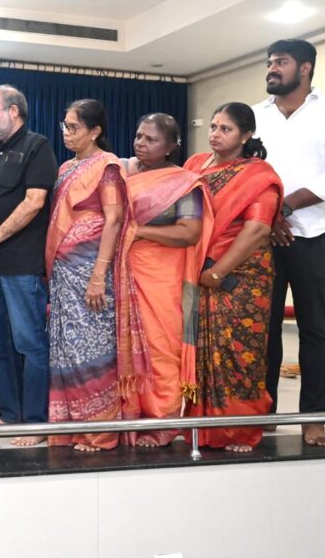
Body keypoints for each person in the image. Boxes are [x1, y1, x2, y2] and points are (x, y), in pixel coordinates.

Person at [255, 39, 325, 448]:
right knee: (262, 331)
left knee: (316, 329)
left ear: (305, 68)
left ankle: (313, 420)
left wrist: (286, 205)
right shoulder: (255, 115)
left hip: (316, 237)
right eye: (270, 62)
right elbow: (243, 169)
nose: (272, 68)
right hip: (260, 237)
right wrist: (268, 215)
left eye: (281, 62)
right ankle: (263, 416)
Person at [184, 102, 282, 453]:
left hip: (239, 278)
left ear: (246, 135)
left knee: (237, 352)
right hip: (197, 272)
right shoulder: (195, 165)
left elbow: (257, 230)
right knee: (198, 352)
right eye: (213, 126)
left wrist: (218, 271)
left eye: (225, 129)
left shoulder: (257, 176)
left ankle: (240, 430)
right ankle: (200, 427)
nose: (215, 134)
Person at [0, 86, 57, 444]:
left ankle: (35, 422)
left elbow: (34, 202)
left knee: (29, 342)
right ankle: (11, 414)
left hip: (20, 263)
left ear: (13, 111)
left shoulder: (36, 146)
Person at [122, 113, 210, 447]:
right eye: (139, 136)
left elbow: (189, 231)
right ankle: (131, 416)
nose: (141, 144)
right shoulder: (125, 176)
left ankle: (163, 422)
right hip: (126, 272)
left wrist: (140, 231)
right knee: (129, 348)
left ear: (171, 145)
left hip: (163, 279)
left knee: (161, 347)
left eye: (151, 139)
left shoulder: (183, 182)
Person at [46, 99, 128, 452]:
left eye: (74, 127)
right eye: (64, 126)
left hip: (91, 272)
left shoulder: (107, 166)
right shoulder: (66, 167)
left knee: (90, 348)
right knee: (65, 347)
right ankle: (68, 426)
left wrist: (98, 276)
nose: (66, 133)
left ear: (95, 131)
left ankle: (99, 431)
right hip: (64, 272)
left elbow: (114, 219)